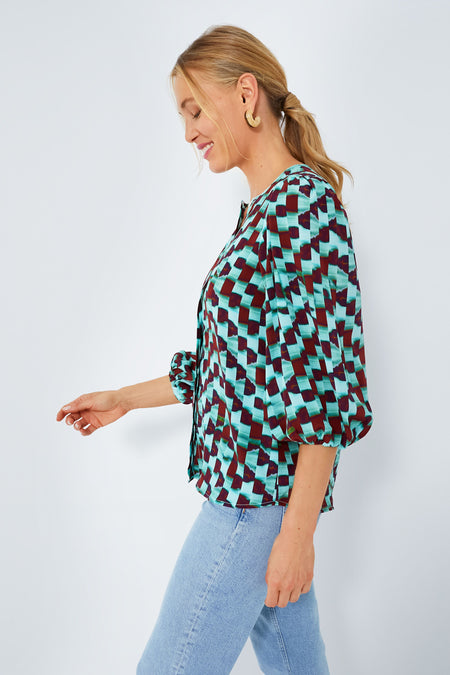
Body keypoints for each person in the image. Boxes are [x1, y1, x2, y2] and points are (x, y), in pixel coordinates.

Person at [56, 24, 373, 675]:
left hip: (253, 506)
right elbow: (233, 366)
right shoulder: (264, 212)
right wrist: (124, 399)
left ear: (246, 94)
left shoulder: (303, 209)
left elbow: (331, 386)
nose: (187, 133)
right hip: (255, 501)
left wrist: (297, 533)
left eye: (193, 110)